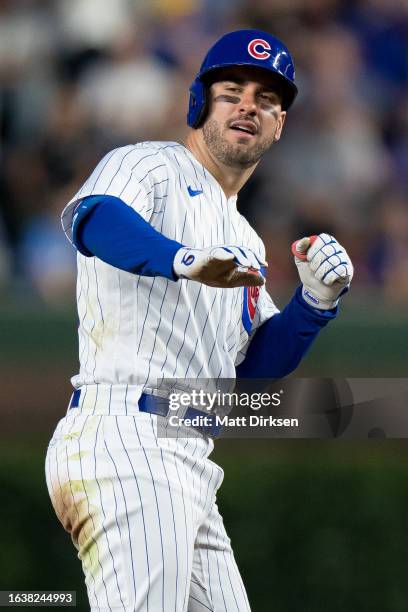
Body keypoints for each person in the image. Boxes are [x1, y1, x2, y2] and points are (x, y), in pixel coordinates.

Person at [45, 29, 353, 611]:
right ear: (198, 103)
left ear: (279, 123)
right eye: (231, 89)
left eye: (265, 99)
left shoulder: (247, 240)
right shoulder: (148, 164)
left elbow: (252, 374)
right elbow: (92, 219)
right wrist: (182, 260)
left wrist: (314, 306)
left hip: (187, 453)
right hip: (124, 436)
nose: (248, 105)